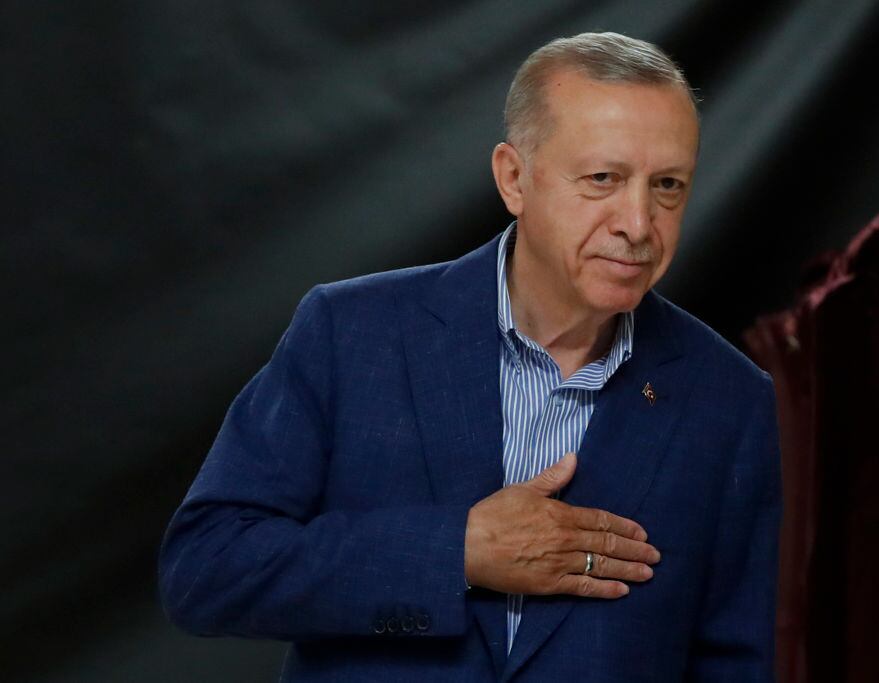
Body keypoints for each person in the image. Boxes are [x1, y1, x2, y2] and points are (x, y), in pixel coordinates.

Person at [160, 32, 781, 682]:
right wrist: (454, 551)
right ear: (514, 178)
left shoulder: (735, 401)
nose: (638, 221)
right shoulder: (351, 334)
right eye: (603, 178)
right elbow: (204, 570)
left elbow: (745, 663)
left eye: (669, 185)